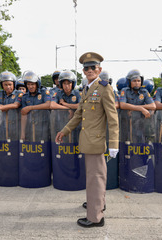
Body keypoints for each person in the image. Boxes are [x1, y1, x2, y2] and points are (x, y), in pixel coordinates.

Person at [55, 52, 119, 228]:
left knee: (95, 179)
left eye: (93, 67)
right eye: (87, 68)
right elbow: (79, 115)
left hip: (96, 142)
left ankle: (95, 217)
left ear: (99, 69)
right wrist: (65, 130)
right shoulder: (87, 89)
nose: (90, 70)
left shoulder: (105, 88)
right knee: (95, 178)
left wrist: (114, 144)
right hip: (88, 141)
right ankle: (98, 205)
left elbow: (113, 118)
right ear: (83, 71)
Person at [20, 70, 51, 140]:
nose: (30, 87)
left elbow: (48, 105)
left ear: (37, 84)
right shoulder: (25, 96)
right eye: (28, 84)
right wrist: (22, 133)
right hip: (30, 128)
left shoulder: (44, 92)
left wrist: (30, 107)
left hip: (44, 127)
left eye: (32, 84)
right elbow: (24, 114)